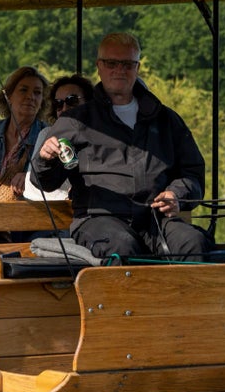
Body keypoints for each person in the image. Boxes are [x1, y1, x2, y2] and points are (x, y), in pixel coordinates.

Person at [31, 32, 211, 261]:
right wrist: (46, 158)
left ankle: (184, 298)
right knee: (122, 247)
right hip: (98, 219)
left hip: (155, 219)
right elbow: (43, 181)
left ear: (137, 67)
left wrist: (176, 194)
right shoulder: (76, 120)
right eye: (111, 63)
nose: (119, 70)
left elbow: (193, 173)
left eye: (127, 64)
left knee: (193, 242)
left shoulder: (166, 120)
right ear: (99, 66)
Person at [0, 66, 48, 200]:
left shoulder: (47, 135)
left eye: (37, 92)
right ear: (8, 96)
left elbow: (55, 180)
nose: (31, 96)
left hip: (28, 213)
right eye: (23, 90)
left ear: (42, 101)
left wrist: (30, 179)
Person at [23, 74, 93, 201]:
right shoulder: (48, 134)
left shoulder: (102, 134)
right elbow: (33, 189)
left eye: (72, 101)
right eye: (58, 104)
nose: (65, 109)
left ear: (88, 103)